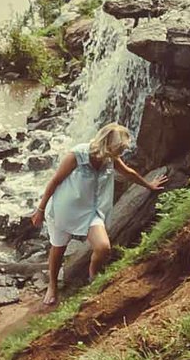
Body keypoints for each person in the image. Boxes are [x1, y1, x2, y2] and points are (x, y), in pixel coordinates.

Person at [30, 123, 167, 309]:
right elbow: (55, 181)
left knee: (103, 247)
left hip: (90, 211)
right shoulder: (77, 154)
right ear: (107, 144)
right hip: (65, 209)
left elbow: (128, 172)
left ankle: (92, 276)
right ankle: (52, 286)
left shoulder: (110, 158)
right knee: (58, 248)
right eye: (119, 149)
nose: (120, 154)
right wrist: (40, 210)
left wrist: (148, 185)